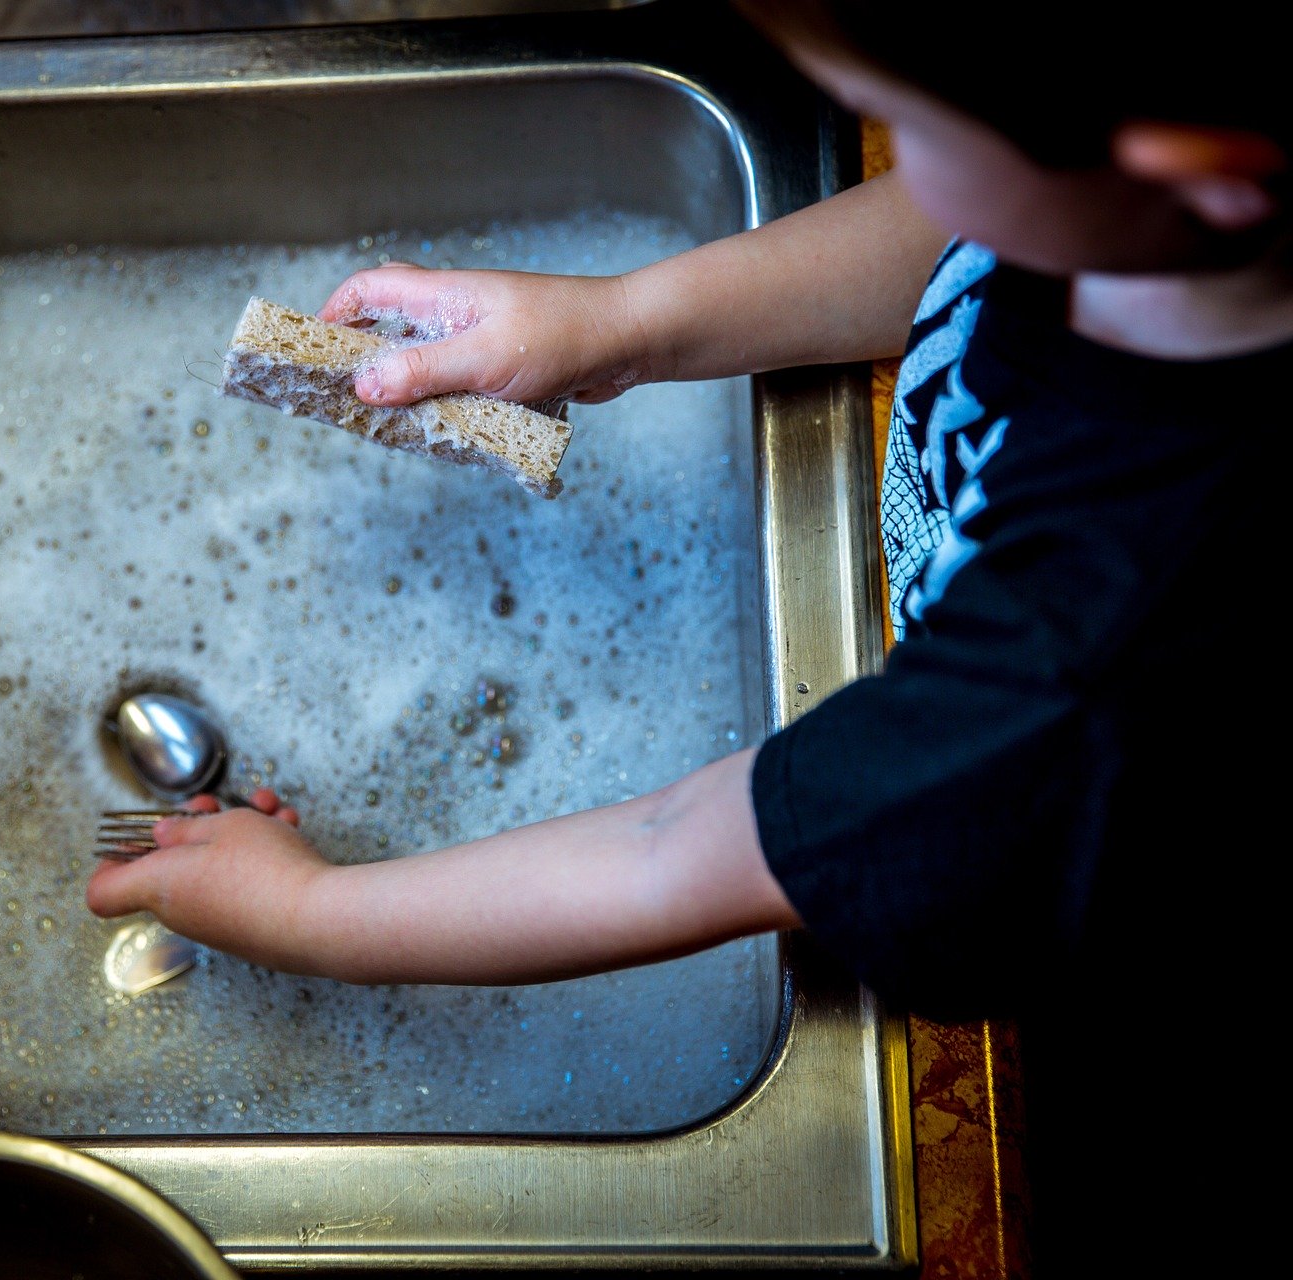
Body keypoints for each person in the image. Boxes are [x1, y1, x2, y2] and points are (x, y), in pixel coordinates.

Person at [90, 2, 1285, 1267]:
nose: (895, 162)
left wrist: (316, 916)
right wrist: (621, 325)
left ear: (1197, 171)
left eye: (916, 131)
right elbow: (960, 238)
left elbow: (681, 852)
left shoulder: (1088, 674)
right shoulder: (1148, 228)